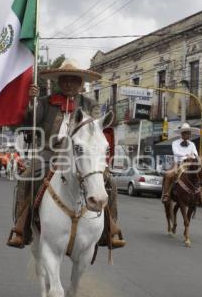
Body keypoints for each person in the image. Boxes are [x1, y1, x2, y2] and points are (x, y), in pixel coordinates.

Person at [7, 59, 125, 250]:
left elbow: (98, 127)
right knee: (26, 178)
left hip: (81, 155)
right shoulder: (45, 102)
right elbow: (30, 120)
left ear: (81, 83)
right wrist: (30, 100)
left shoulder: (90, 104)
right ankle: (21, 228)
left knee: (109, 182)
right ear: (58, 82)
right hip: (49, 153)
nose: (69, 83)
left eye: (74, 80)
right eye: (65, 79)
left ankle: (111, 230)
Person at [161, 122, 202, 204]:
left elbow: (195, 154)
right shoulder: (175, 143)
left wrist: (193, 157)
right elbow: (176, 152)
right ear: (182, 134)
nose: (188, 135)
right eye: (186, 133)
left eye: (189, 133)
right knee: (169, 175)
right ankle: (166, 194)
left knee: (201, 173)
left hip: (190, 164)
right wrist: (186, 155)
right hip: (178, 163)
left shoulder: (192, 144)